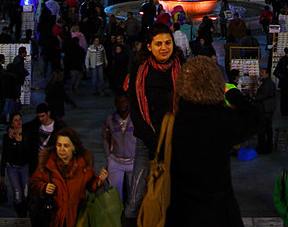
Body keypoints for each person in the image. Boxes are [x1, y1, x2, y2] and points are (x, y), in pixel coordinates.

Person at [167, 56, 262, 226]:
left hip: (182, 212)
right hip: (218, 211)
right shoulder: (223, 120)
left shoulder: (175, 122)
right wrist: (232, 93)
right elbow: (259, 119)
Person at [123, 24, 184, 223]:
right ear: (149, 47)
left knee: (175, 195)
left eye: (168, 43)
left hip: (176, 141)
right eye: (158, 44)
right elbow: (136, 111)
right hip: (146, 141)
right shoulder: (140, 71)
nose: (164, 48)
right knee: (136, 197)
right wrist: (155, 143)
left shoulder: (182, 67)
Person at [28, 128, 108, 227]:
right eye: (59, 145)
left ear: (74, 147)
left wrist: (99, 182)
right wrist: (44, 187)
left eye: (66, 146)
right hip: (54, 219)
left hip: (76, 218)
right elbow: (33, 182)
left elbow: (91, 184)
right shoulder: (47, 164)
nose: (61, 149)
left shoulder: (83, 165)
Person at [101, 94, 135, 200]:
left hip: (133, 161)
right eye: (119, 102)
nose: (122, 104)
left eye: (124, 101)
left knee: (133, 194)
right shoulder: (110, 120)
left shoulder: (135, 119)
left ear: (128, 102)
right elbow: (105, 138)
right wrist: (108, 157)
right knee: (115, 194)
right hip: (116, 161)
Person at [2, 112, 32, 218]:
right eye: (15, 120)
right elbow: (5, 155)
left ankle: (24, 213)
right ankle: (21, 215)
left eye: (20, 119)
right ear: (11, 123)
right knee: (17, 193)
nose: (19, 122)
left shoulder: (26, 134)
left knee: (25, 192)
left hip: (24, 166)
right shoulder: (7, 137)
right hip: (12, 168)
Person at [253, 67, 278, 153]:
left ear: (267, 74)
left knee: (264, 128)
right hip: (266, 109)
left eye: (263, 72)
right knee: (267, 128)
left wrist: (254, 98)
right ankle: (266, 146)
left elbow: (264, 95)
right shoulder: (266, 83)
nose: (261, 74)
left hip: (265, 109)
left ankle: (264, 146)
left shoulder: (267, 84)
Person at [274, 48, 288, 116]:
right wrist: (286, 67)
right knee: (284, 96)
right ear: (286, 54)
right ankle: (283, 111)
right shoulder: (283, 60)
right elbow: (280, 69)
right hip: (284, 79)